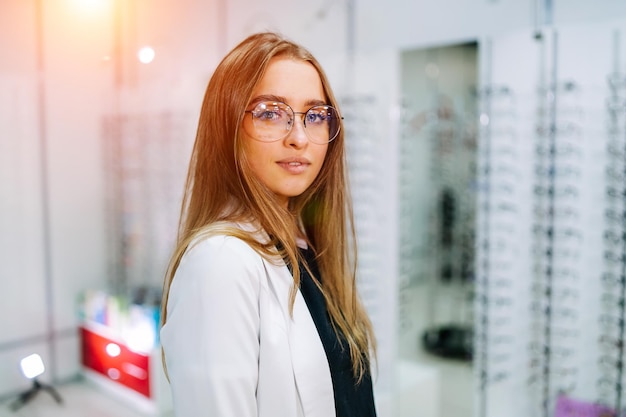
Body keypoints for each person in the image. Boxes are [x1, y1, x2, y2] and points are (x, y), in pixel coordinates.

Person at [160, 31, 377, 417]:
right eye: (270, 113)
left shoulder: (303, 245)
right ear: (227, 127)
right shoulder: (220, 263)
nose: (299, 138)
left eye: (315, 116)